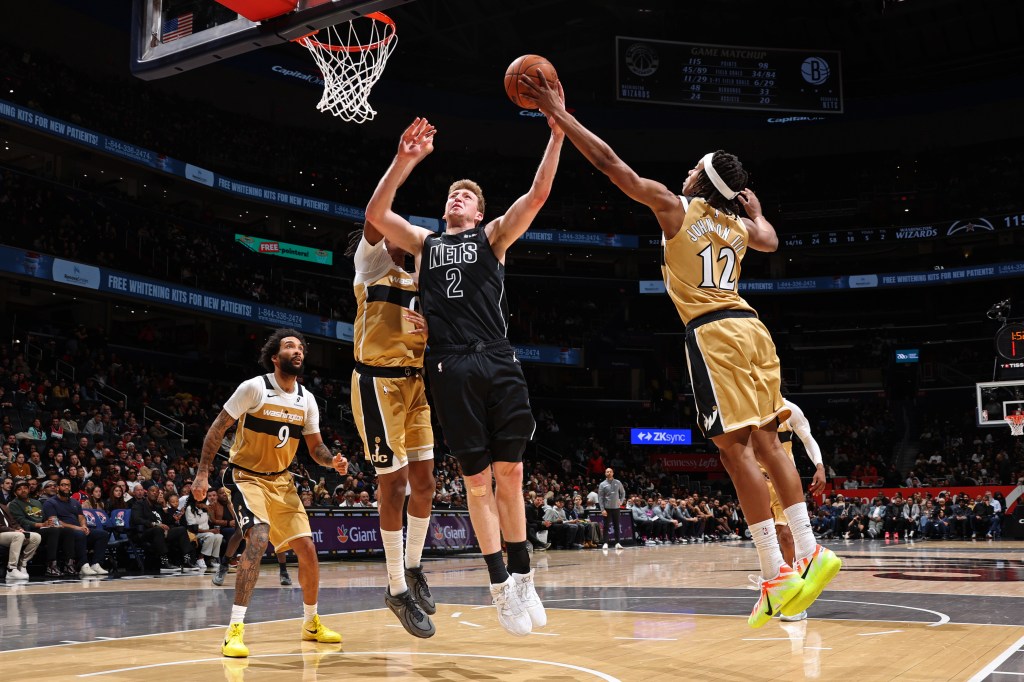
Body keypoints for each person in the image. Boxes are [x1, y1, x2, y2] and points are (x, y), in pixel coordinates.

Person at [525, 74, 841, 627]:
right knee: (769, 444)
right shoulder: (738, 226)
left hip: (715, 334)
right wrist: (756, 210)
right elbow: (770, 238)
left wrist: (561, 115)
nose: (686, 172)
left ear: (702, 179)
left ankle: (776, 572)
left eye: (694, 168)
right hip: (754, 329)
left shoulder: (677, 210)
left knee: (735, 453)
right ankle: (809, 552)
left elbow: (612, 166)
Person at [365, 113, 564, 636]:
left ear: (479, 211)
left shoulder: (493, 237)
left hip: (496, 356)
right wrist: (404, 160)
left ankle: (524, 577)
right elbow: (377, 213)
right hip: (448, 363)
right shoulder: (424, 243)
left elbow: (537, 195)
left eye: (467, 195)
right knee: (477, 483)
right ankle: (499, 586)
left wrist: (557, 134)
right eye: (453, 194)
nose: (458, 197)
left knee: (511, 475)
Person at [192, 328, 348, 658]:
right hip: (245, 476)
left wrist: (331, 461)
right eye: (290, 346)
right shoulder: (254, 388)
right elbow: (218, 428)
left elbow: (316, 447)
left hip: (281, 481)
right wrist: (203, 472)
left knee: (307, 549)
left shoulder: (307, 399)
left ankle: (311, 623)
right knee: (259, 537)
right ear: (275, 357)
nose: (298, 350)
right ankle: (234, 631)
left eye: (301, 347)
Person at [346, 223, 437, 639]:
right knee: (394, 485)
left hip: (415, 383)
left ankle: (413, 567)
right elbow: (373, 216)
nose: (407, 232)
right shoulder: (370, 265)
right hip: (378, 382)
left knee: (426, 484)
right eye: (397, 226)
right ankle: (396, 588)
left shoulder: (423, 279)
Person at [760, 398, 827, 622]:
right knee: (766, 542)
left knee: (786, 537)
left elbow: (807, 438)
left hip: (782, 480)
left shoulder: (788, 408)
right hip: (757, 483)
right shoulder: (746, 407)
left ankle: (793, 595)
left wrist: (819, 466)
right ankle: (776, 587)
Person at [43, 477, 110, 576]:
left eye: (68, 485)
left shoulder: (75, 502)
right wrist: (78, 528)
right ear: (57, 488)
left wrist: (84, 526)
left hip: (79, 529)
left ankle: (96, 564)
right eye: (63, 485)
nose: (66, 487)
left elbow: (81, 517)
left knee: (103, 534)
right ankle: (83, 565)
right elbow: (54, 522)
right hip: (64, 533)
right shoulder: (50, 502)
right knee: (80, 534)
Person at [1, 500, 41, 580]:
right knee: (18, 536)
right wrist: (14, 531)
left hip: (10, 532)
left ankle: (22, 564)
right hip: (2, 533)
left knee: (36, 537)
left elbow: (14, 522)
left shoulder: (3, 506)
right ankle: (11, 569)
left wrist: (19, 528)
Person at [598, 467, 626, 549]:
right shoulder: (602, 484)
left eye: (610, 471)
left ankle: (617, 543)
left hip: (616, 508)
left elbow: (623, 493)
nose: (609, 473)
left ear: (613, 473)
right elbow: (600, 498)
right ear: (605, 473)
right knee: (606, 526)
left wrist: (621, 501)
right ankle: (605, 543)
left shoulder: (618, 482)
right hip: (607, 508)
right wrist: (602, 509)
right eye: (607, 472)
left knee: (616, 526)